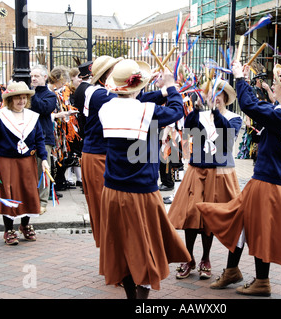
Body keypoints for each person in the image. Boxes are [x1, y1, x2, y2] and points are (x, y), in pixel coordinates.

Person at [197, 61, 281, 296]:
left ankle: (261, 281)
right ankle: (232, 271)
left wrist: (240, 77)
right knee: (241, 222)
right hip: (269, 179)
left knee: (258, 229)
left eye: (276, 84)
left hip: (268, 181)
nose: (273, 87)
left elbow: (248, 104)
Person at [98, 59, 190, 299]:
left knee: (122, 251)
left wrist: (157, 91)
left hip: (113, 189)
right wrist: (170, 87)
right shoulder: (144, 111)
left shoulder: (105, 107)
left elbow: (137, 103)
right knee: (146, 250)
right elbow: (177, 110)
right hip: (141, 192)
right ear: (137, 87)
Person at [82, 55, 167, 248]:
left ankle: (119, 254)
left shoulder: (106, 92)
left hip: (105, 154)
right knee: (104, 209)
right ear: (106, 74)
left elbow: (134, 98)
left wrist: (148, 85)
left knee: (114, 209)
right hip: (96, 155)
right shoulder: (98, 94)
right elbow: (133, 102)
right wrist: (159, 90)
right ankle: (112, 256)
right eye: (116, 69)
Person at [168, 78, 242, 280]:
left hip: (219, 172)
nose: (215, 97)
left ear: (226, 97)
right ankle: (188, 257)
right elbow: (188, 128)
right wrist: (197, 109)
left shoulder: (234, 118)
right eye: (212, 94)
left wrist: (215, 114)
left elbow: (226, 138)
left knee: (209, 217)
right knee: (192, 213)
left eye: (219, 94)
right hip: (197, 169)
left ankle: (205, 259)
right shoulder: (201, 115)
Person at [0, 82, 50, 245]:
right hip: (6, 161)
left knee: (29, 192)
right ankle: (9, 229)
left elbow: (39, 139)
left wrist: (44, 159)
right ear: (10, 99)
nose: (21, 101)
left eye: (24, 98)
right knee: (8, 193)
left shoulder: (32, 116)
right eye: (17, 98)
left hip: (28, 161)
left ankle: (25, 225)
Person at [30, 65, 58, 215]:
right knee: (29, 170)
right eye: (32, 76)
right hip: (28, 137)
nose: (33, 79)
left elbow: (44, 109)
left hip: (44, 138)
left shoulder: (50, 95)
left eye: (37, 76)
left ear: (44, 77)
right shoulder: (28, 94)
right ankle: (31, 199)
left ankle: (42, 201)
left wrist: (32, 95)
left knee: (43, 169)